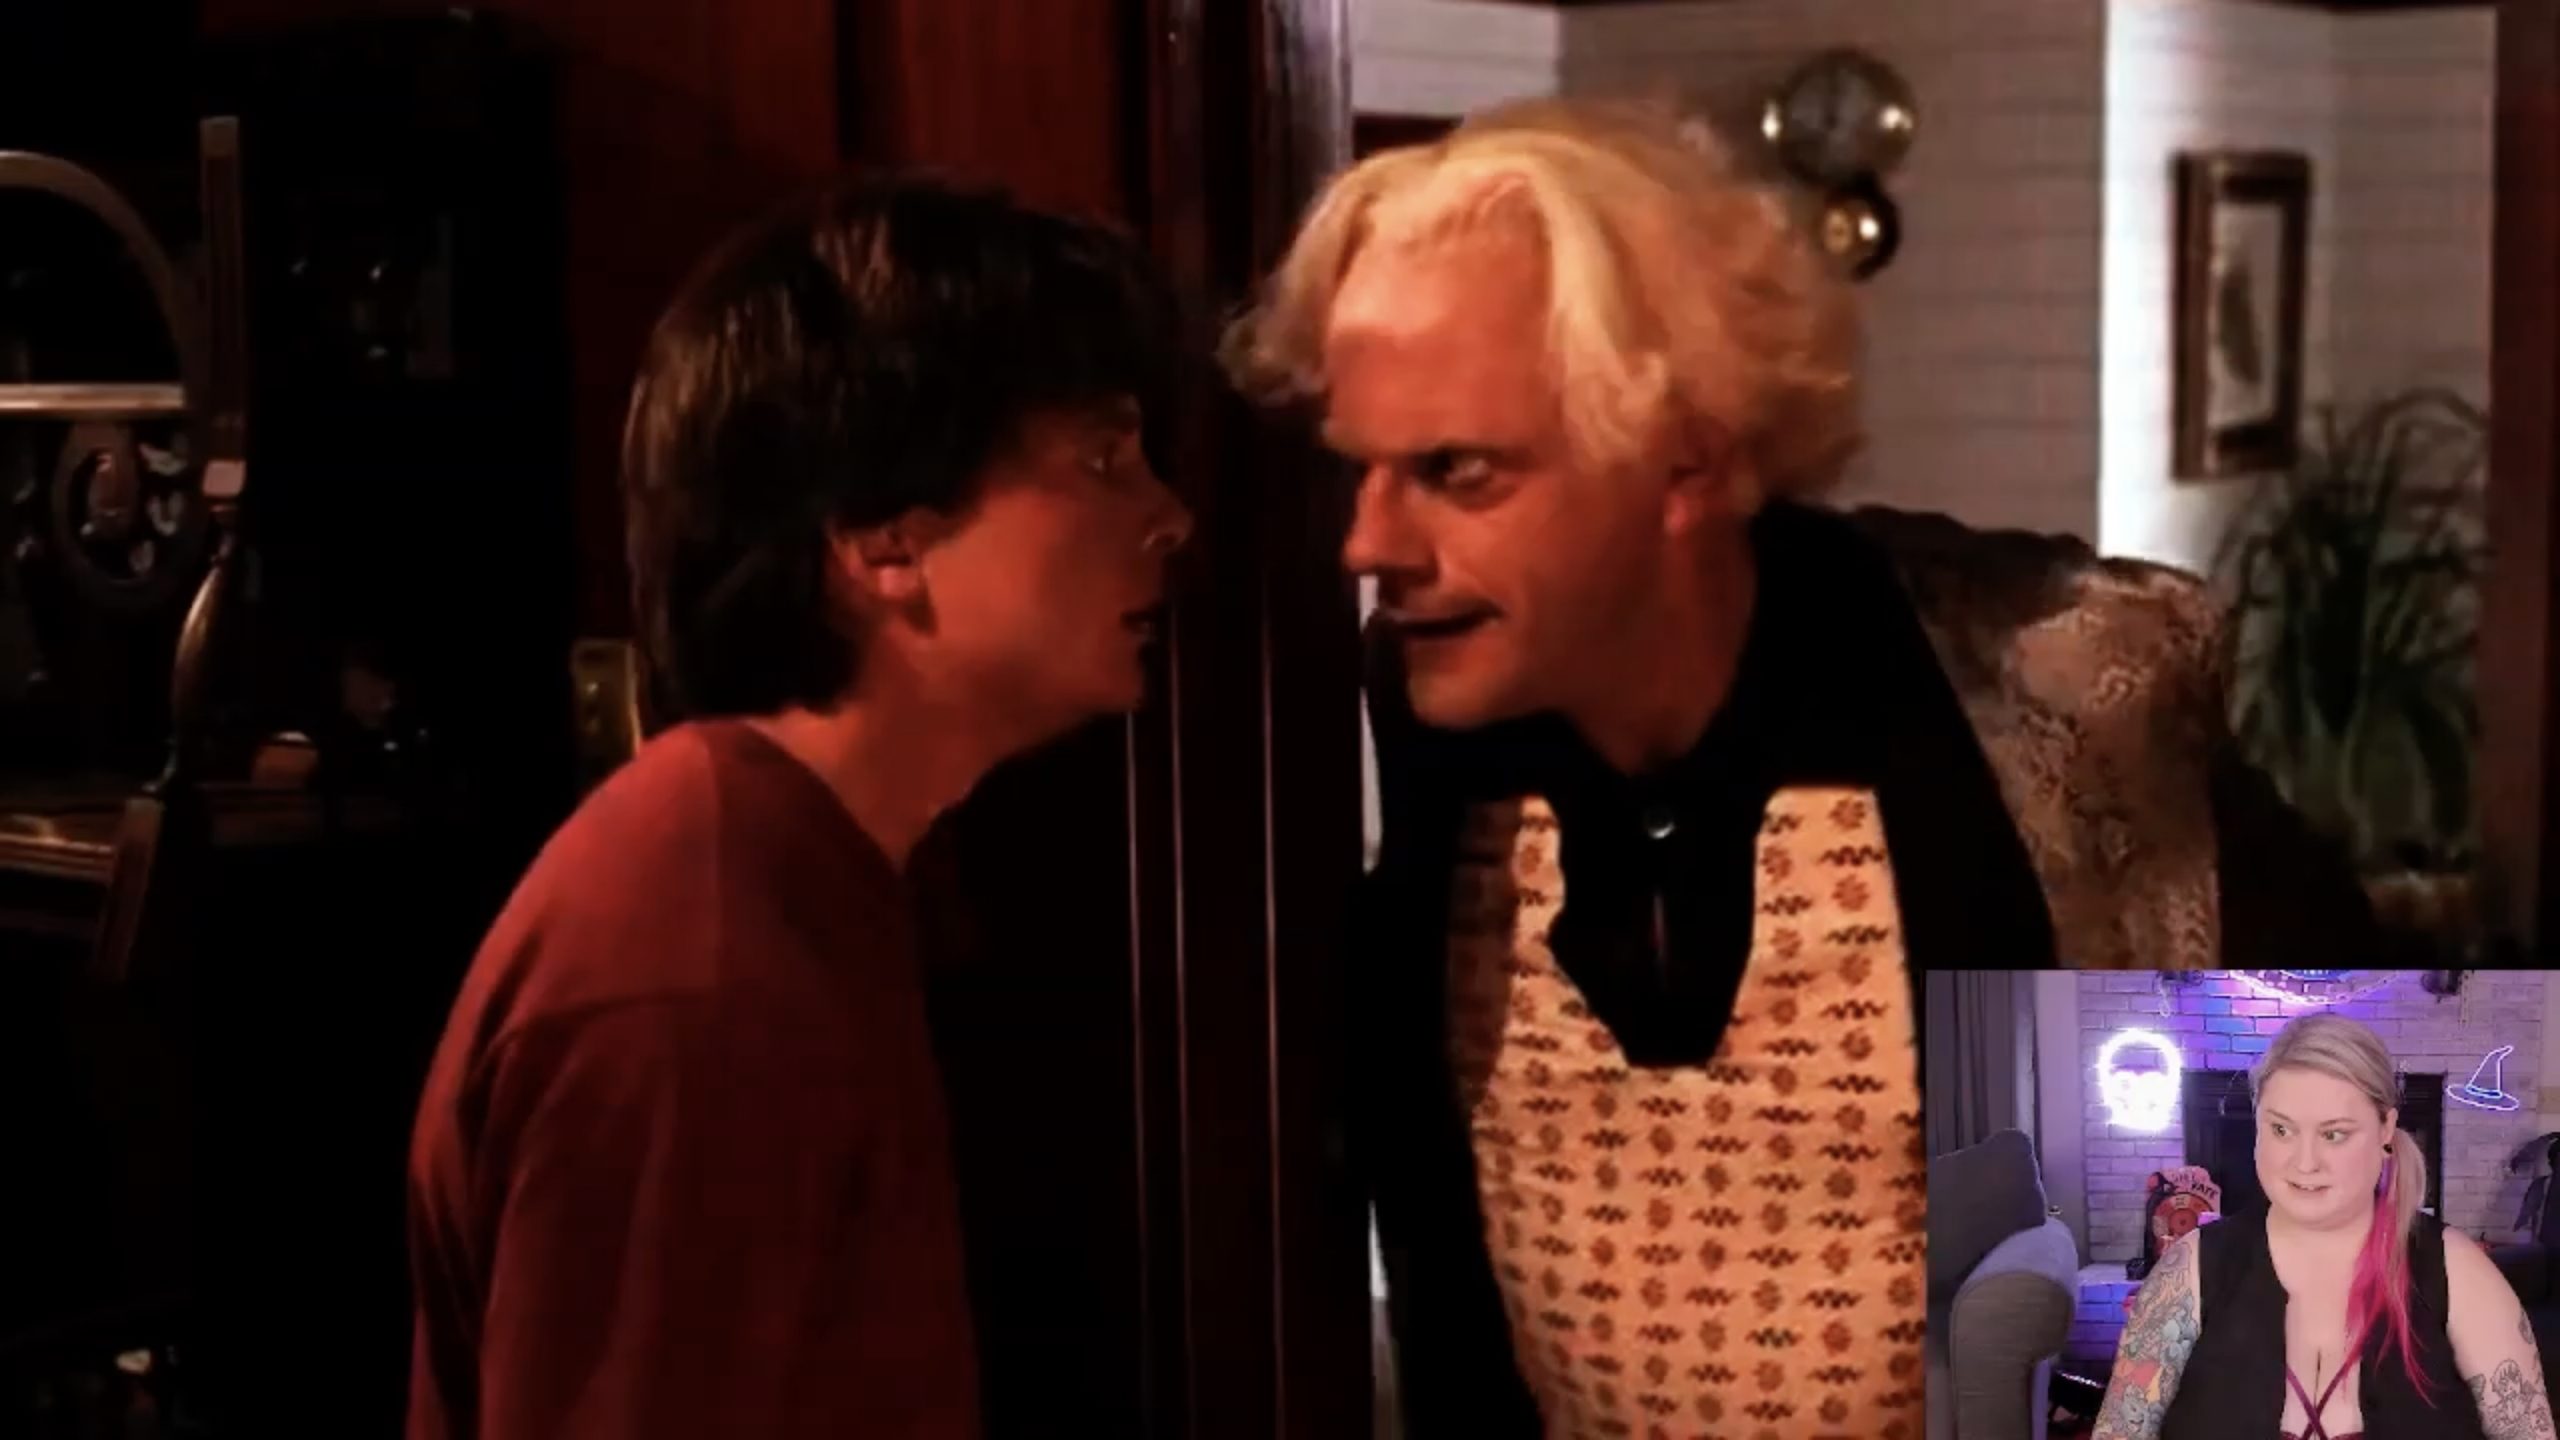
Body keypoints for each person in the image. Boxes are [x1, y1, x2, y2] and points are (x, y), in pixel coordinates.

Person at [1220, 97, 2373, 1435]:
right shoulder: (1437, 713)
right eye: (1359, 470)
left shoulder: (2038, 689)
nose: (1368, 544)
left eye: (1456, 472)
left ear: (1685, 459)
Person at [404, 178, 1192, 1440]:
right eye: (1103, 460)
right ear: (885, 545)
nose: (1168, 516)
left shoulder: (802, 869)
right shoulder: (700, 967)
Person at [2095, 1012, 2551, 1439]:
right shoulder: (2189, 1270)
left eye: (2334, 1134)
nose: (2305, 1162)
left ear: (2386, 1128)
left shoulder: (2461, 1274)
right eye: (2281, 1130)